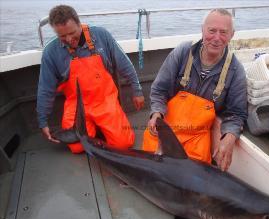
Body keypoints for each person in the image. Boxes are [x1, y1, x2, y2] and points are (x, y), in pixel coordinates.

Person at [142, 8, 247, 171]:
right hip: (166, 129)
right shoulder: (183, 52)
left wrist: (229, 137)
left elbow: (237, 113)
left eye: (223, 32)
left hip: (197, 136)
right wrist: (156, 113)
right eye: (212, 30)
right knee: (150, 168)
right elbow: (159, 90)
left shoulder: (235, 70)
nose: (217, 38)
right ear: (202, 30)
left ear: (232, 35)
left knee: (194, 174)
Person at [37, 5, 144, 153]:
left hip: (104, 101)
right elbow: (45, 89)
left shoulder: (101, 35)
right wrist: (43, 121)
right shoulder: (50, 52)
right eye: (62, 36)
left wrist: (137, 91)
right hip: (77, 106)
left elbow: (125, 65)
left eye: (72, 33)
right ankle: (96, 130)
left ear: (79, 23)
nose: (69, 39)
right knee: (76, 147)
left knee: (123, 144)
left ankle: (101, 130)